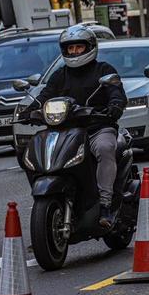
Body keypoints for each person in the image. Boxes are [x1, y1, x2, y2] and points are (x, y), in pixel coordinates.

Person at [23, 26, 126, 228]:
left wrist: (114, 105)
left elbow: (116, 92)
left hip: (96, 128)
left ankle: (105, 204)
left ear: (90, 47)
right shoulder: (60, 75)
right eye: (70, 48)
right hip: (64, 131)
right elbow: (45, 95)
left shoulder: (104, 70)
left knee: (105, 149)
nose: (75, 52)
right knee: (31, 150)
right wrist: (30, 110)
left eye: (79, 47)